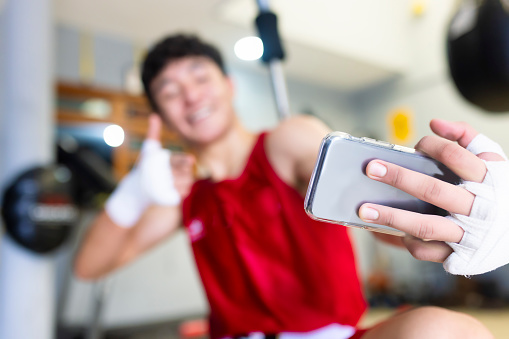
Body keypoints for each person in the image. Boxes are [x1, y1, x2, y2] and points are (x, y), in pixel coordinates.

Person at [73, 34, 494, 339]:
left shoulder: (284, 144)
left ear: (229, 85)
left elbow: (372, 209)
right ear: (161, 116)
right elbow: (89, 266)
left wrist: (466, 215)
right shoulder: (185, 196)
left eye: (199, 77)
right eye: (170, 91)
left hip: (330, 334)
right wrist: (135, 193)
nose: (190, 96)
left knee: (445, 331)